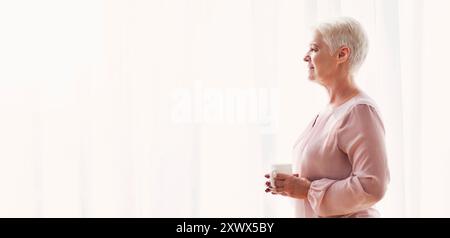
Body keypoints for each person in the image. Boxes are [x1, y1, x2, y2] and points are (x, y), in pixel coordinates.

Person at [264, 17, 390, 218]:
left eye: (314, 49)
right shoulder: (327, 112)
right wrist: (292, 185)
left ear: (342, 54)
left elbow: (371, 186)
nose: (306, 57)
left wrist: (308, 190)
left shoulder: (360, 111)